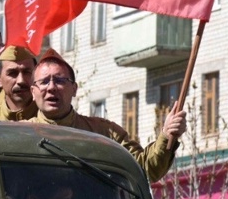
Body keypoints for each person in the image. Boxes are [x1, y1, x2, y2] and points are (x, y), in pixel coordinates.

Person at [29, 49, 186, 182]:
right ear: (33, 92)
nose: (51, 88)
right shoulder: (21, 133)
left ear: (74, 89)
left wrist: (167, 136)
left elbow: (143, 170)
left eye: (59, 80)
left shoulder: (103, 133)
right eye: (43, 82)